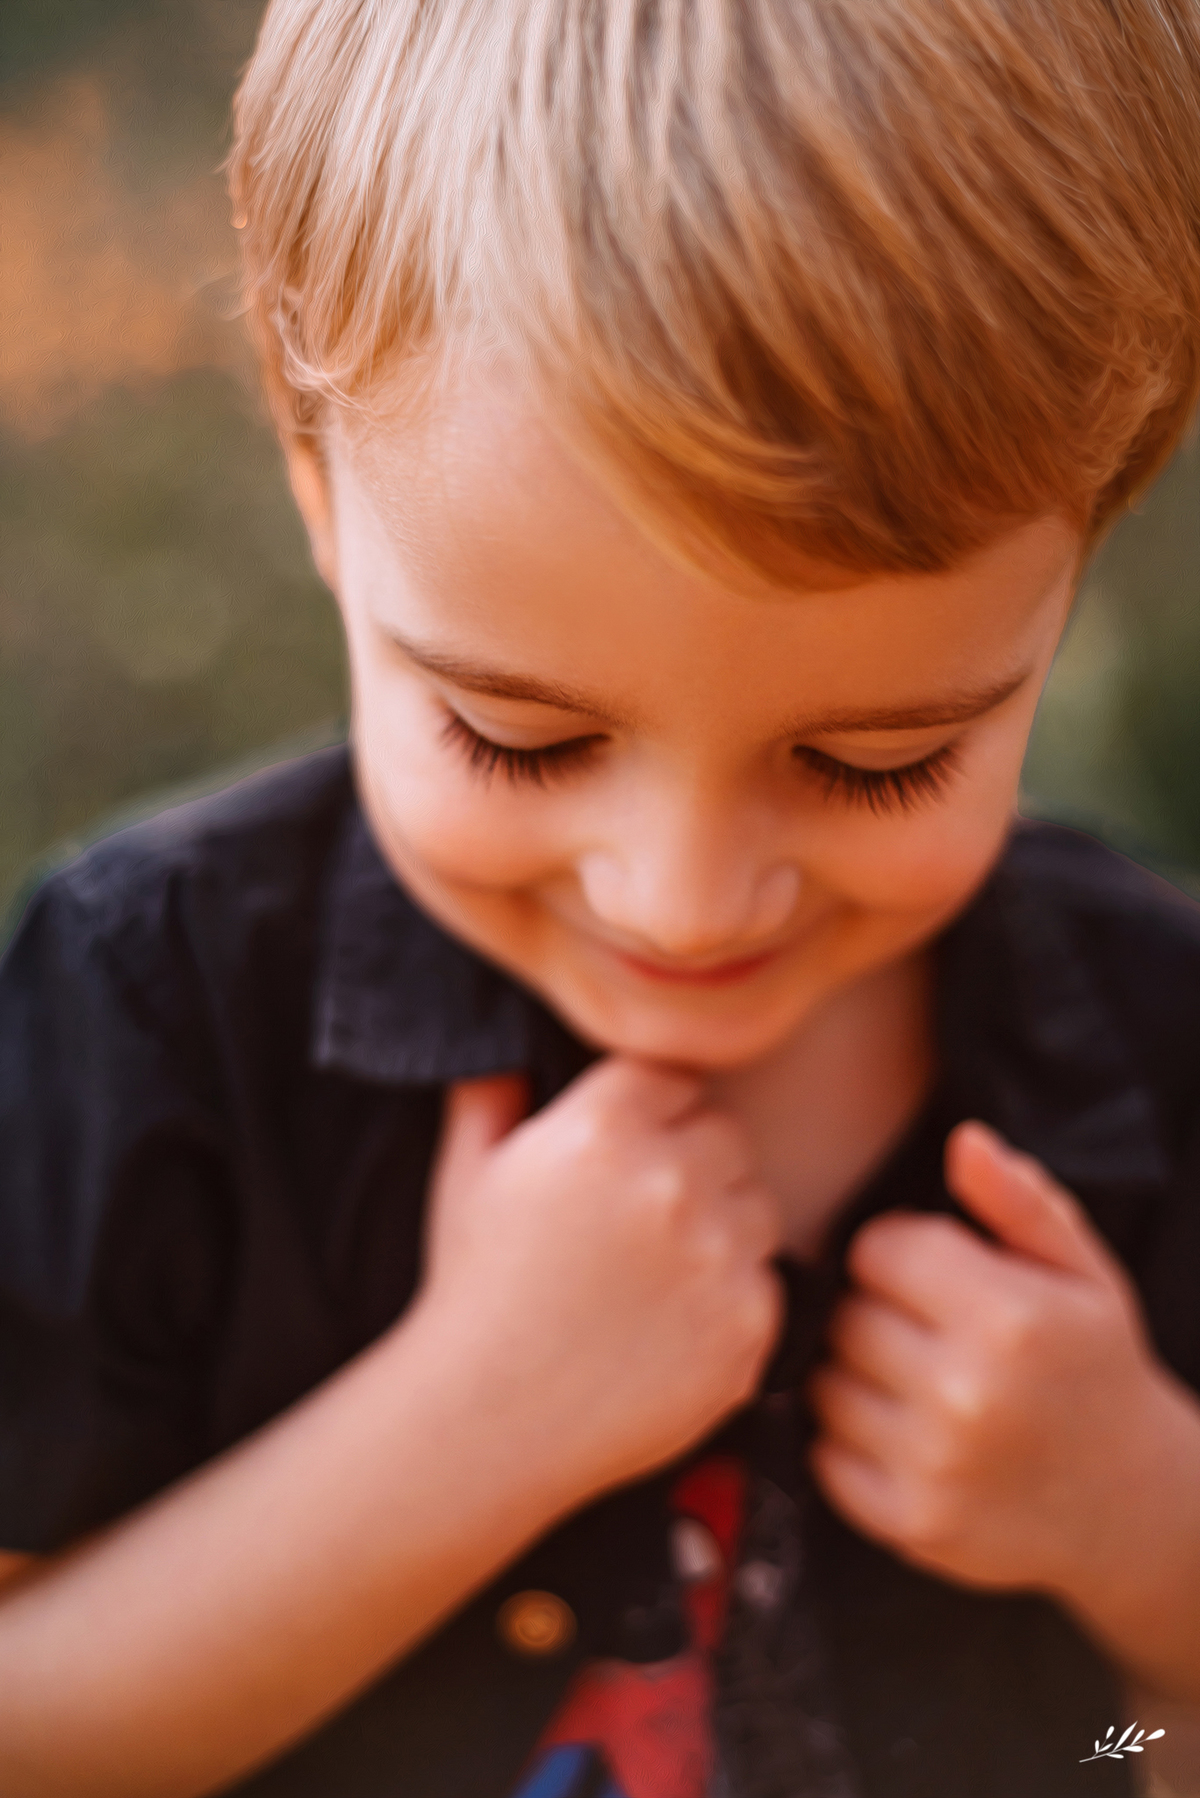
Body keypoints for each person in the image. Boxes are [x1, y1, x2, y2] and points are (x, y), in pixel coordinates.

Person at [2, 1, 1200, 1793]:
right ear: (315, 465)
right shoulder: (149, 1012)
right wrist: (463, 1425)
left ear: (1090, 524)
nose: (687, 897)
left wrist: (1146, 1521)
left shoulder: (1160, 1039)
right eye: (516, 736)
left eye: (877, 759)